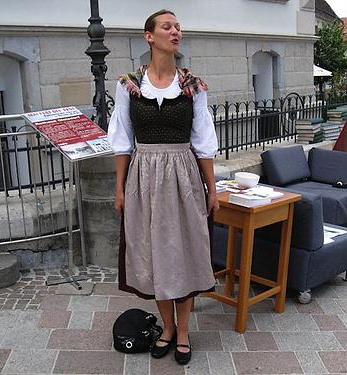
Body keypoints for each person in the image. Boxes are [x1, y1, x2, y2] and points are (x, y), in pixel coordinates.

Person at [107, 9, 219, 366]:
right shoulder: (128, 86)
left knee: (182, 254)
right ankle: (167, 328)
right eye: (167, 26)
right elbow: (123, 141)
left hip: (183, 177)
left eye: (178, 27)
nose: (175, 31)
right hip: (143, 178)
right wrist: (120, 188)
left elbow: (203, 142)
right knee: (152, 255)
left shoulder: (192, 86)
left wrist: (212, 189)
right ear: (149, 36)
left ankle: (183, 332)